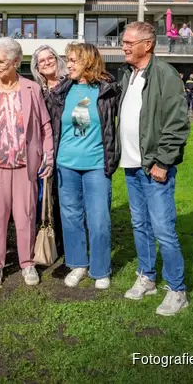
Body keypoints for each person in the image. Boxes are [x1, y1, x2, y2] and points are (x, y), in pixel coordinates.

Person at [116, 22, 190, 316]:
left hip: (154, 167)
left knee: (163, 228)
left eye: (129, 42)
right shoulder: (128, 74)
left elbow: (177, 123)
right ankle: (147, 276)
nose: (123, 46)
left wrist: (163, 161)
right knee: (140, 224)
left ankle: (177, 290)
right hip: (132, 166)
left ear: (147, 44)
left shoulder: (165, 75)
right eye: (123, 41)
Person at [0, 37, 53, 288]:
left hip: (26, 165)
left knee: (25, 215)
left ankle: (27, 263)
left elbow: (45, 126)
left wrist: (48, 156)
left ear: (16, 61)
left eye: (1, 61)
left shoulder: (32, 89)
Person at [47, 43, 119, 289]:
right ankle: (78, 264)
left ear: (88, 61)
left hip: (97, 164)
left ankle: (100, 269)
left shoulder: (108, 90)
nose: (68, 64)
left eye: (73, 60)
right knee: (71, 217)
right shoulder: (61, 92)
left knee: (99, 218)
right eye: (68, 60)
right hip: (65, 164)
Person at [31, 45, 68, 254]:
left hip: (67, 146)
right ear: (36, 67)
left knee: (65, 198)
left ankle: (65, 244)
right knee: (44, 197)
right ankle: (45, 241)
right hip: (44, 149)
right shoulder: (37, 90)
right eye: (41, 60)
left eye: (50, 57)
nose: (46, 62)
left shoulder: (69, 84)